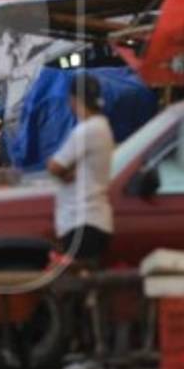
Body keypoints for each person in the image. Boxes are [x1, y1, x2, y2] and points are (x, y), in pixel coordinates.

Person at [46, 74, 115, 266]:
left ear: (73, 100)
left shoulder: (86, 131)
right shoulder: (103, 127)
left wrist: (63, 172)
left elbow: (54, 166)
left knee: (78, 277)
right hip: (94, 219)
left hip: (81, 221)